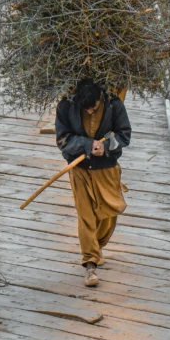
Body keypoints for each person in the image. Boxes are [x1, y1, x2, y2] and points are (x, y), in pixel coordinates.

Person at [55, 78, 131, 286]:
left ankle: (96, 247)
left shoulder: (114, 104)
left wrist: (105, 148)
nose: (89, 112)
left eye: (94, 108)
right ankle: (90, 264)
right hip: (79, 169)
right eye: (85, 109)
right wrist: (88, 145)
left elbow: (124, 135)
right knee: (86, 215)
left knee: (109, 214)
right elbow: (63, 140)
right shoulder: (66, 106)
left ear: (100, 98)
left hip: (106, 169)